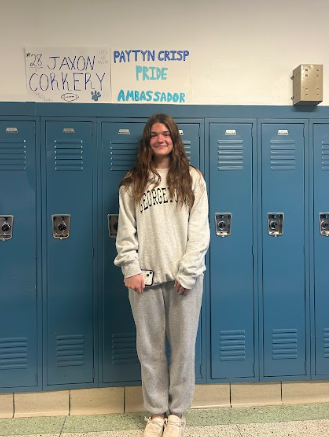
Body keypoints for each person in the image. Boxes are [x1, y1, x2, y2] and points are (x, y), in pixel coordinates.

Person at [114, 113, 210, 437]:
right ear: (147, 140)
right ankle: (156, 414)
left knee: (183, 350)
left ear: (174, 138)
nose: (160, 139)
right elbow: (126, 233)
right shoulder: (133, 183)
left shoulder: (192, 178)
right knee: (149, 349)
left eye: (165, 133)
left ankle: (178, 414)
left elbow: (200, 231)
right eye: (154, 134)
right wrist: (130, 268)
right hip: (146, 280)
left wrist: (189, 272)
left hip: (185, 281)